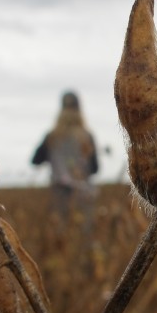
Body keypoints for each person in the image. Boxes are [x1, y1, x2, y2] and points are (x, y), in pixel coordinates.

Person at [31, 91, 99, 222]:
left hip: (60, 195)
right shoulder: (87, 136)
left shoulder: (52, 137)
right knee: (83, 236)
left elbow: (35, 161)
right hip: (84, 195)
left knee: (62, 234)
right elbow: (95, 168)